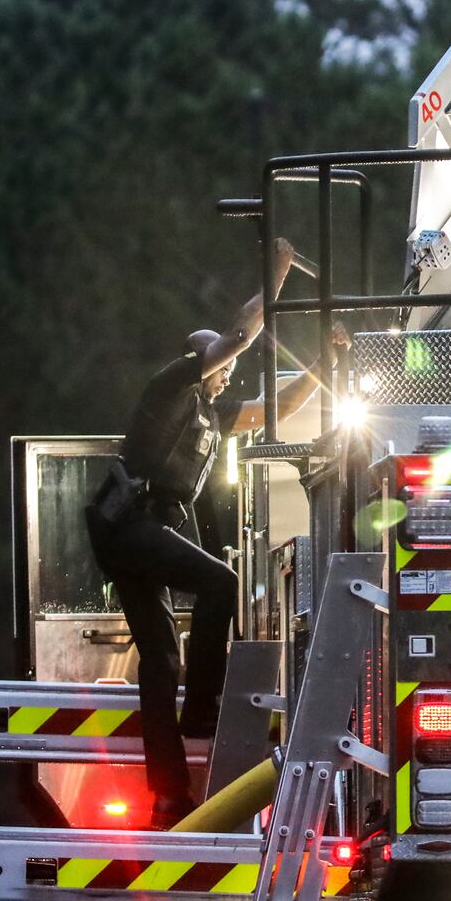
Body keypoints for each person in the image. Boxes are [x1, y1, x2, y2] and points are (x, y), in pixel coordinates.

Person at [85, 237, 352, 828]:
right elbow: (239, 335)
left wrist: (326, 365)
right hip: (127, 524)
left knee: (160, 665)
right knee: (221, 582)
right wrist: (275, 275)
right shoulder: (171, 386)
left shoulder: (215, 413)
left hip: (138, 534)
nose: (229, 374)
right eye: (223, 367)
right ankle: (203, 710)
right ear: (199, 362)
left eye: (229, 370)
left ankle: (169, 795)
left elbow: (277, 403)